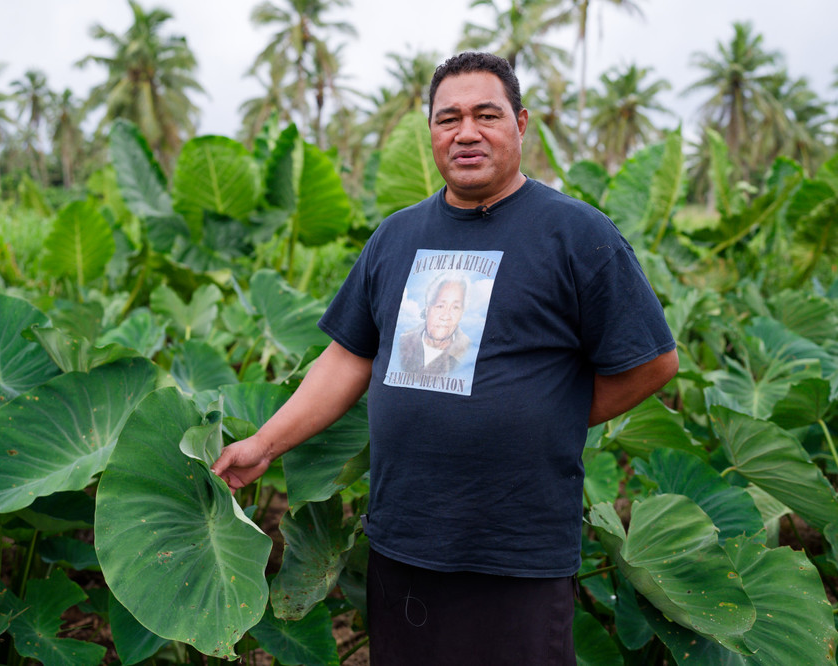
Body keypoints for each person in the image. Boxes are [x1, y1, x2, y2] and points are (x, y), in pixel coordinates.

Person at [212, 51, 678, 665]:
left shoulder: (576, 234)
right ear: (431, 131)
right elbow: (348, 358)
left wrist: (552, 412)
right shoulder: (397, 237)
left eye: (487, 114)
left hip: (517, 547)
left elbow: (652, 363)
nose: (466, 132)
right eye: (447, 118)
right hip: (406, 538)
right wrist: (265, 445)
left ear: (521, 123)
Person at [398, 272, 471, 374]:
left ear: (461, 314)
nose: (446, 316)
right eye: (440, 306)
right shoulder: (403, 342)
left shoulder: (468, 351)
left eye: (455, 307)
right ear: (427, 309)